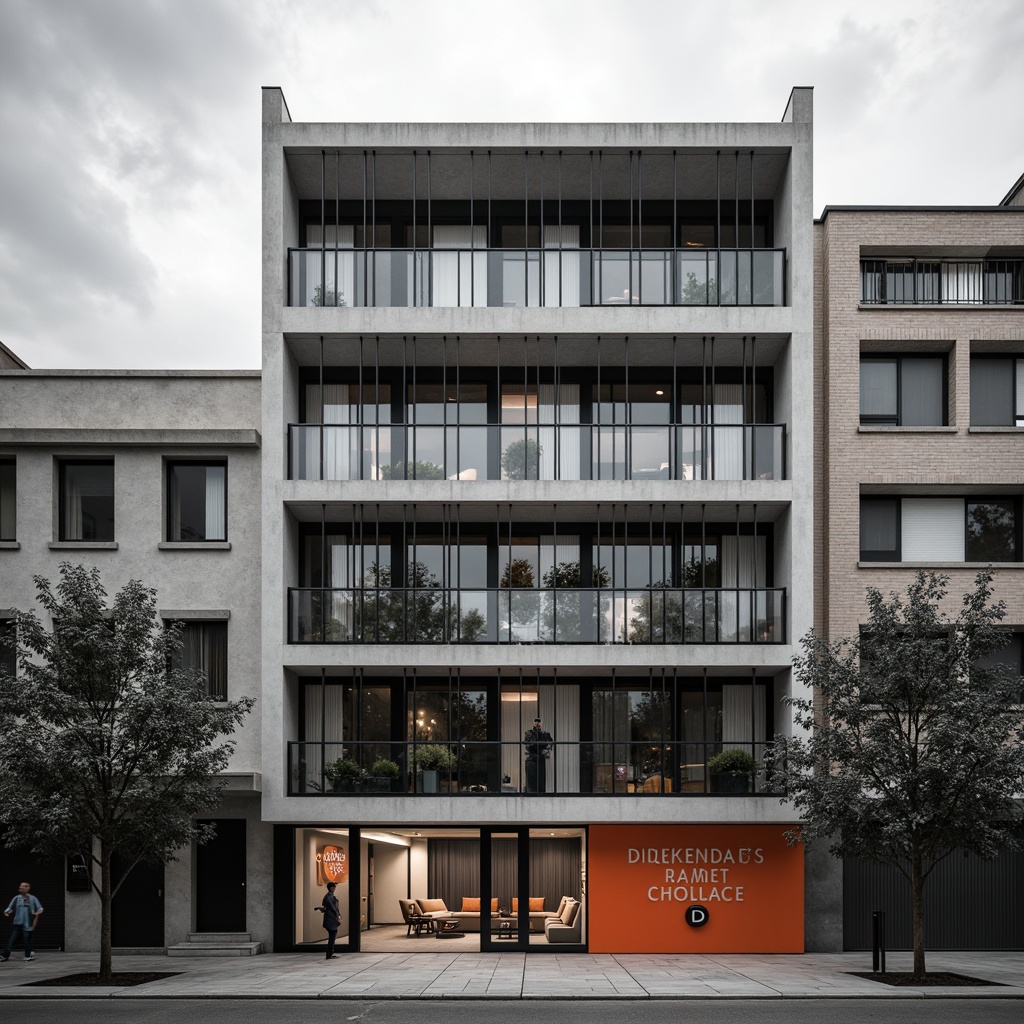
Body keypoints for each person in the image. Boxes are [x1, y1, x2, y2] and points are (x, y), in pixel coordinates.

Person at [2, 882, 43, 962]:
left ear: (28, 888)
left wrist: (36, 914)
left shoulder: (33, 898)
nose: (21, 888)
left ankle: (27, 956)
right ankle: (4, 956)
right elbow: (9, 908)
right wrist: (7, 912)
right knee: (12, 940)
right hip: (17, 923)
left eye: (23, 887)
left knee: (27, 940)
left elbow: (40, 908)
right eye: (20, 887)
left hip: (28, 923)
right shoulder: (17, 898)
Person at [524, 716, 553, 793]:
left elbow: (550, 743)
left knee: (540, 783)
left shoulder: (545, 734)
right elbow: (529, 744)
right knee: (531, 784)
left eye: (539, 722)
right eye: (536, 722)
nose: (537, 723)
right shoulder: (529, 733)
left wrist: (546, 750)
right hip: (532, 760)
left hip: (540, 759)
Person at [320, 881, 341, 959]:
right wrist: (338, 917)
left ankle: (330, 953)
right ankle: (329, 954)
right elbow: (333, 908)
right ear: (332, 888)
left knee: (332, 936)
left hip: (330, 918)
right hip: (331, 919)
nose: (335, 889)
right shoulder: (329, 897)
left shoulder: (329, 897)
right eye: (334, 887)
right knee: (332, 936)